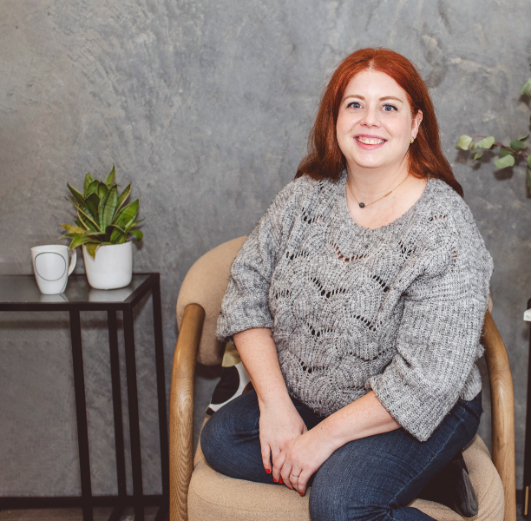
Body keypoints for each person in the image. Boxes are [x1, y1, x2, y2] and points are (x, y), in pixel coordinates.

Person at [201, 47, 493, 520]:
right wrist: (275, 406)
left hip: (415, 407)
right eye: (354, 104)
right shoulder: (303, 196)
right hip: (312, 395)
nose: (368, 120)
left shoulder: (445, 228)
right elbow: (245, 289)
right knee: (223, 441)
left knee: (338, 504)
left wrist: (321, 440)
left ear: (416, 124)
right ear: (334, 118)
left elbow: (427, 381)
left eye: (389, 107)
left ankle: (389, 468)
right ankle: (424, 476)